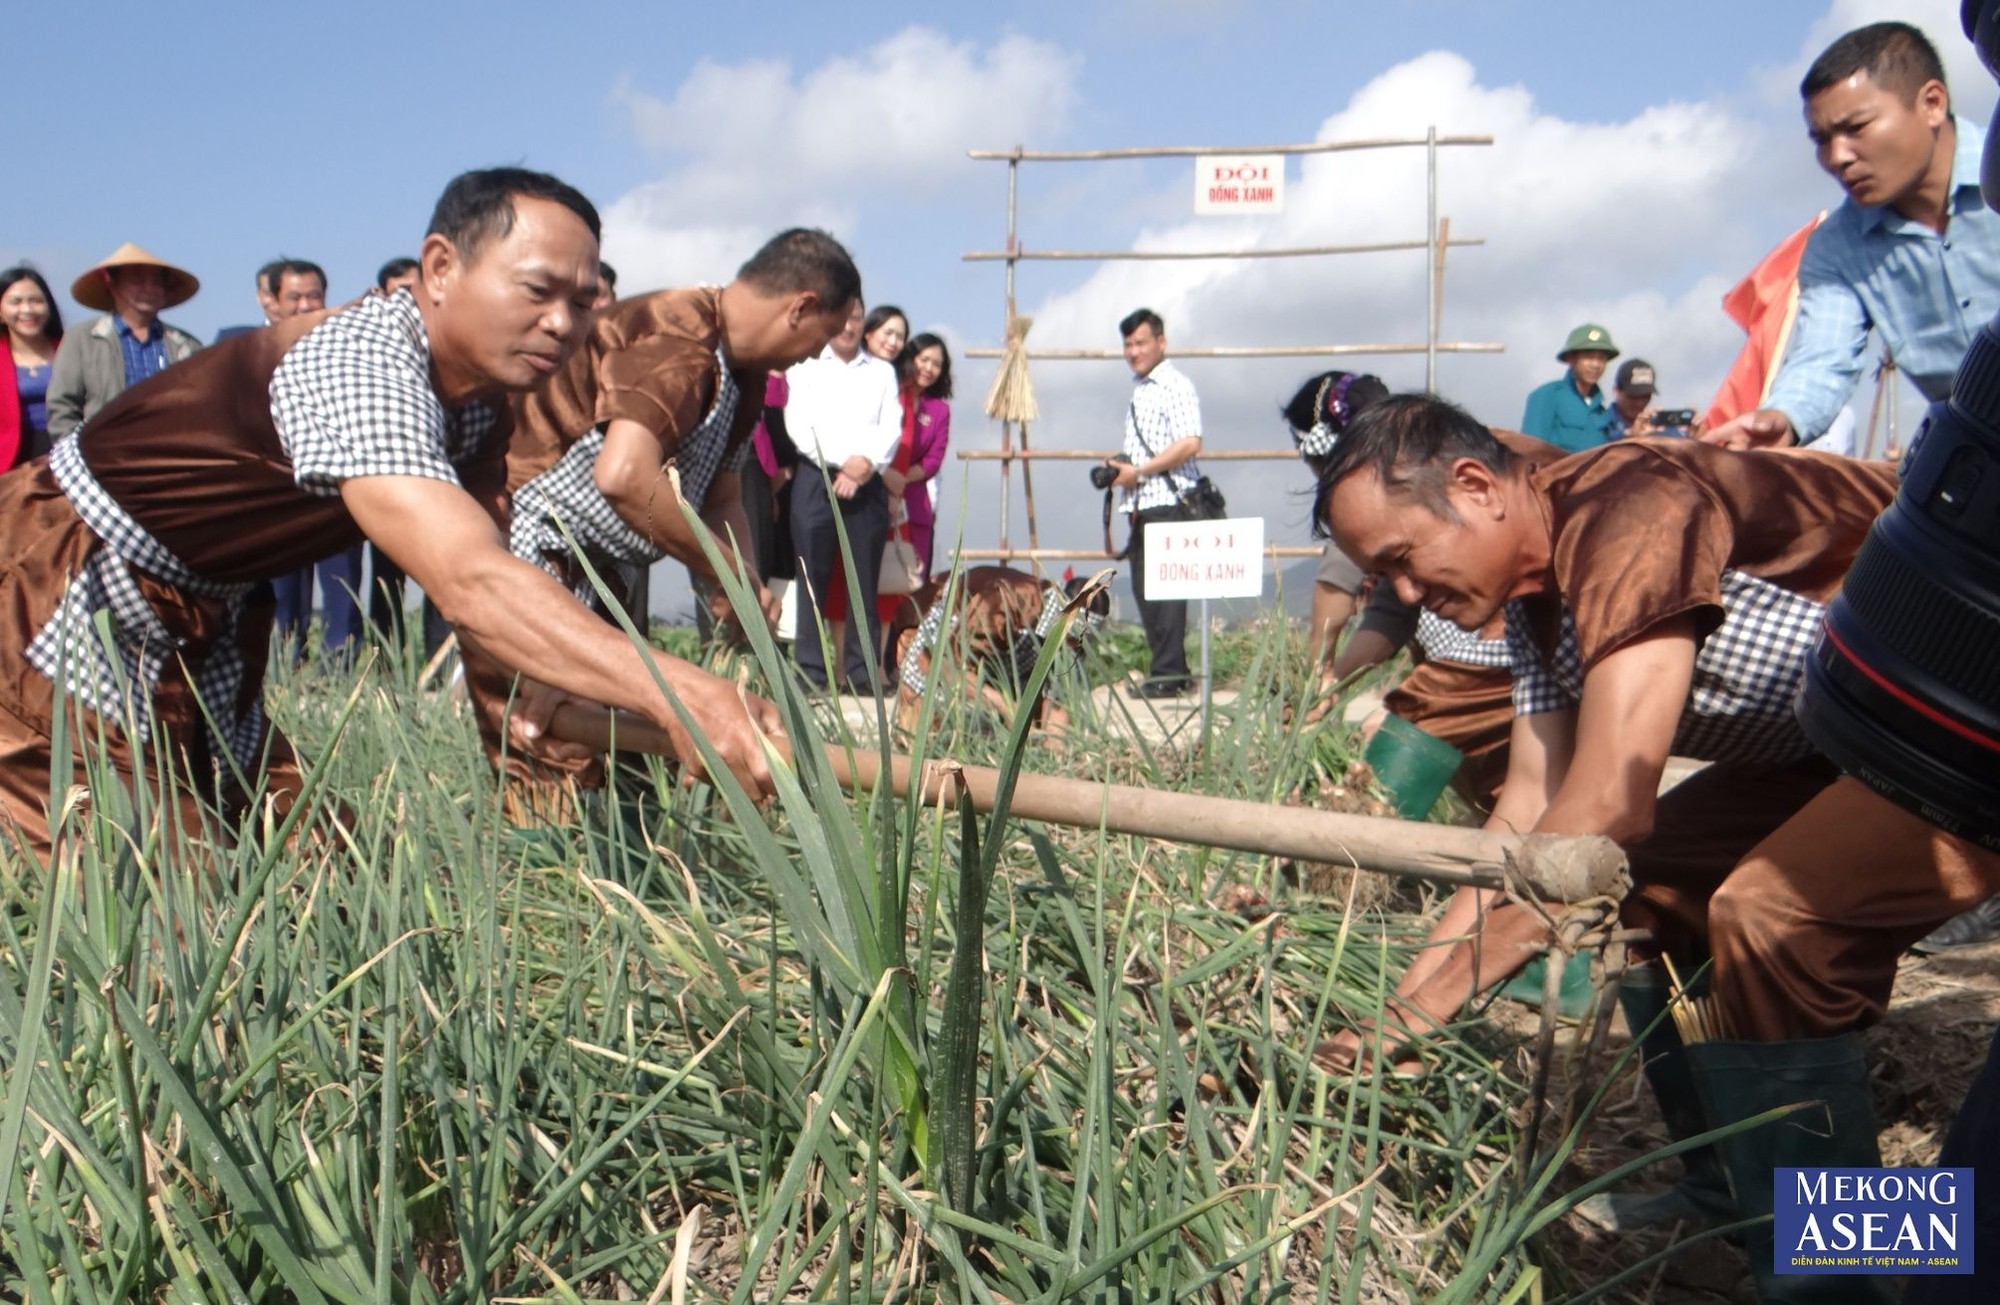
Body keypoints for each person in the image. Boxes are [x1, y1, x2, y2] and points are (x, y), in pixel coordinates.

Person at [1314, 395, 2000, 1300]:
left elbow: (1607, 806)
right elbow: (1526, 815)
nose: (1404, 596)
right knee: (1653, 897)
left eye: (1402, 560)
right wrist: (1396, 1013)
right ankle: (1735, 1189)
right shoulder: (1531, 597)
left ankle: (1848, 1271)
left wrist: (1427, 1009)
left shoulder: (1629, 507)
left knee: (1775, 919)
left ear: (1477, 486)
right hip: (1842, 736)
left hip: (1961, 706)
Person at [0, 167, 782, 860]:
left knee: (319, 866)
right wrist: (681, 691)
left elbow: (490, 574)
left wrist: (542, 682)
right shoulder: (363, 359)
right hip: (62, 581)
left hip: (201, 615)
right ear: (440, 267)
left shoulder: (480, 408)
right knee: (165, 900)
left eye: (582, 302)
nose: (563, 323)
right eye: (538, 290)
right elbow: (470, 582)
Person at [466, 226, 856, 800]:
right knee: (552, 753)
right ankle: (542, 884)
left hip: (607, 570)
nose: (811, 359)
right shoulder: (681, 335)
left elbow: (723, 497)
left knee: (628, 765)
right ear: (801, 307)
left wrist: (741, 580)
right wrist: (730, 572)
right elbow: (625, 476)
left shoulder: (744, 375)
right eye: (818, 342)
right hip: (536, 546)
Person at [1706, 22, 2000, 453]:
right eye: (1821, 140)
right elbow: (1822, 359)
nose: (1836, 157)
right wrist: (1783, 416)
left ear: (1932, 104)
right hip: (1974, 466)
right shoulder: (1834, 248)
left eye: (1856, 128)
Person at [786, 298, 901, 694]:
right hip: (815, 477)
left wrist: (865, 464)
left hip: (867, 483)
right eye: (843, 317)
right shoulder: (804, 366)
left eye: (856, 318)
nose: (849, 326)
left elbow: (891, 427)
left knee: (862, 582)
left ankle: (861, 673)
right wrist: (842, 464)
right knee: (810, 578)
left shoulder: (883, 373)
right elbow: (799, 424)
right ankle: (811, 673)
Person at [1103, 307, 1204, 698]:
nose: (1133, 351)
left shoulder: (1173, 385)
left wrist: (1140, 471)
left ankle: (1170, 676)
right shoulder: (1143, 388)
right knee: (1147, 591)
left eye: (1140, 342)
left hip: (1168, 501)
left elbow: (1190, 441)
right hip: (1143, 503)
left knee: (1165, 593)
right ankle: (1167, 671)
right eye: (1127, 344)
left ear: (1161, 342)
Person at [888, 567, 1108, 736]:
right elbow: (944, 667)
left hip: (997, 656)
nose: (1073, 646)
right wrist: (1008, 708)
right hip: (938, 640)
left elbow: (1057, 705)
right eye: (1072, 638)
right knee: (924, 726)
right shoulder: (1008, 601)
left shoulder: (1069, 646)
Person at [45, 243, 202, 440]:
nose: (149, 288)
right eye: (137, 280)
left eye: (156, 282)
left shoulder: (186, 345)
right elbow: (62, 406)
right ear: (112, 284)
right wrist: (80, 455)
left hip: (170, 454)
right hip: (106, 455)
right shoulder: (82, 339)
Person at [874, 332, 953, 631]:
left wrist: (899, 479)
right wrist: (885, 475)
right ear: (911, 358)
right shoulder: (890, 392)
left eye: (937, 364)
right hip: (877, 496)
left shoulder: (940, 410)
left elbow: (933, 460)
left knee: (909, 582)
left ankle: (902, 654)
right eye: (925, 360)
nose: (929, 368)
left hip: (915, 505)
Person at [1, 266, 64, 467]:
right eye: (16, 302)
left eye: (36, 301)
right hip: (9, 459)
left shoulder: (70, 349)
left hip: (66, 453)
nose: (27, 310)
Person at [1518, 324, 1616, 452]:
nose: (1595, 365)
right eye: (1588, 357)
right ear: (1571, 358)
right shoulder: (1547, 396)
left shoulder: (1601, 411)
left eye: (1601, 358)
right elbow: (1529, 451)